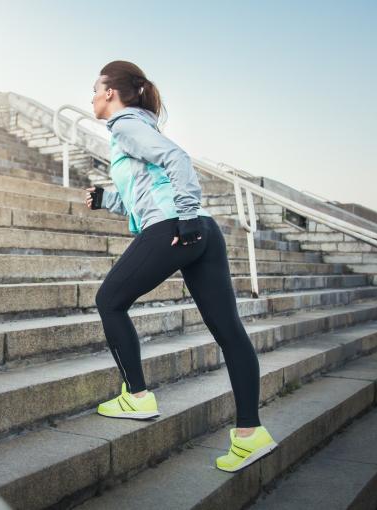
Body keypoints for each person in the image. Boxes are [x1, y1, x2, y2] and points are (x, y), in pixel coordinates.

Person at [85, 60, 277, 472]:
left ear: (110, 93)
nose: (92, 97)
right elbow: (146, 196)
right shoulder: (140, 128)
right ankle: (250, 433)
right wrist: (108, 200)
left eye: (95, 89)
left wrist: (186, 217)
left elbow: (177, 160)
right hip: (198, 230)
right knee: (230, 332)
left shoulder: (124, 126)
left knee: (109, 301)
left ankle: (136, 396)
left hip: (179, 226)